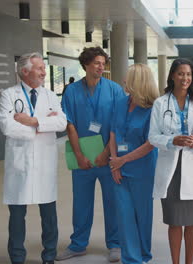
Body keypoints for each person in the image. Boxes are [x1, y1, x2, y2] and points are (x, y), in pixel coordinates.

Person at [0, 52, 67, 264]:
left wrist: (31, 121)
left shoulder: (50, 96)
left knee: (49, 217)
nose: (44, 72)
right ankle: (17, 258)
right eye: (40, 68)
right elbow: (7, 126)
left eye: (44, 68)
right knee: (17, 217)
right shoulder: (9, 94)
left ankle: (49, 257)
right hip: (20, 164)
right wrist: (41, 126)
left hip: (45, 164)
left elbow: (62, 123)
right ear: (25, 72)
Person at [57, 47, 124, 262]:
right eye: (96, 62)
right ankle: (78, 244)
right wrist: (78, 155)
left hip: (107, 158)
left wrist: (106, 153)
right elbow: (70, 124)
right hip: (82, 158)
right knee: (81, 202)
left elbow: (118, 124)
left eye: (103, 63)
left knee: (112, 202)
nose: (101, 66)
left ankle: (115, 244)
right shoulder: (72, 91)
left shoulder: (114, 90)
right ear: (85, 64)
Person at [149, 58, 193, 264]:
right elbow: (153, 136)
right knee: (174, 222)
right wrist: (172, 140)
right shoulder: (161, 103)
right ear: (172, 76)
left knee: (192, 222)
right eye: (181, 74)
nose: (185, 78)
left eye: (189, 74)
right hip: (171, 168)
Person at [108, 64, 159, 264]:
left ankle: (144, 255)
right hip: (119, 169)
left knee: (143, 216)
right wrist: (115, 163)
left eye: (127, 78)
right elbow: (112, 132)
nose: (123, 82)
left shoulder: (153, 108)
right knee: (124, 216)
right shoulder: (120, 102)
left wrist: (122, 160)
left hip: (143, 171)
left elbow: (150, 144)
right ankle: (131, 259)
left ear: (138, 82)